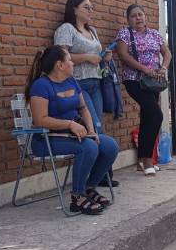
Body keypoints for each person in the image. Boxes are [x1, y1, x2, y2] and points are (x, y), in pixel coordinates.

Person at [25, 46, 119, 215]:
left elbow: (83, 108)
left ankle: (89, 188)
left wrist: (91, 129)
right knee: (89, 147)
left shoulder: (71, 82)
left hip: (73, 136)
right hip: (46, 140)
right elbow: (39, 120)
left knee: (110, 146)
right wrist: (70, 124)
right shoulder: (41, 86)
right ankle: (77, 197)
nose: (72, 63)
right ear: (59, 65)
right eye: (69, 60)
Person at [54, 0, 118, 187]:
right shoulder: (66, 29)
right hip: (78, 84)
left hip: (96, 82)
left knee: (99, 128)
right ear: (74, 9)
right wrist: (87, 57)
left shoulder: (93, 31)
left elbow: (96, 56)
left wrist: (105, 57)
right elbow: (60, 56)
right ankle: (92, 181)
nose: (91, 11)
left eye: (92, 7)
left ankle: (100, 176)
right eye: (86, 7)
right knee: (94, 128)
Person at [116, 4, 172, 176]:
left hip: (153, 81)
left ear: (145, 16)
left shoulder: (155, 34)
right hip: (134, 80)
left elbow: (167, 53)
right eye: (133, 16)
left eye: (140, 14)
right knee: (156, 115)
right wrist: (143, 68)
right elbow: (123, 55)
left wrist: (163, 68)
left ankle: (141, 160)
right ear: (128, 19)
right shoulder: (125, 34)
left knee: (147, 117)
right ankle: (148, 159)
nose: (138, 18)